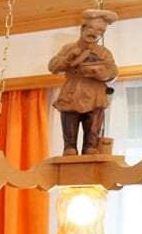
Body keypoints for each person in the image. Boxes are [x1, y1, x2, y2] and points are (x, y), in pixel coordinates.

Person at [48, 8, 120, 156]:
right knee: (70, 118)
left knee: (93, 121)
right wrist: (68, 58)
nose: (94, 33)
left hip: (95, 93)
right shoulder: (69, 48)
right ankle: (69, 146)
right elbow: (53, 67)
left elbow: (113, 72)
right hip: (72, 92)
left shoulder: (104, 52)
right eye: (91, 28)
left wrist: (104, 74)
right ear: (83, 28)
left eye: (99, 30)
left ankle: (90, 145)